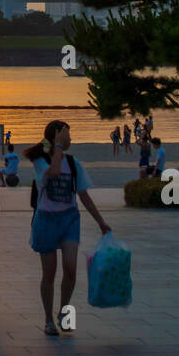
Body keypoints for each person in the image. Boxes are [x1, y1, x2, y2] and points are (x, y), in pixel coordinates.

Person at [25, 121, 110, 337]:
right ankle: (48, 319)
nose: (70, 139)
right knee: (49, 273)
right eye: (67, 135)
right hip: (46, 220)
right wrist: (59, 147)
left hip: (69, 219)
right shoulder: (40, 160)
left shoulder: (73, 163)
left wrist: (100, 221)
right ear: (57, 136)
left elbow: (83, 195)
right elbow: (53, 172)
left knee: (71, 268)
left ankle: (64, 311)